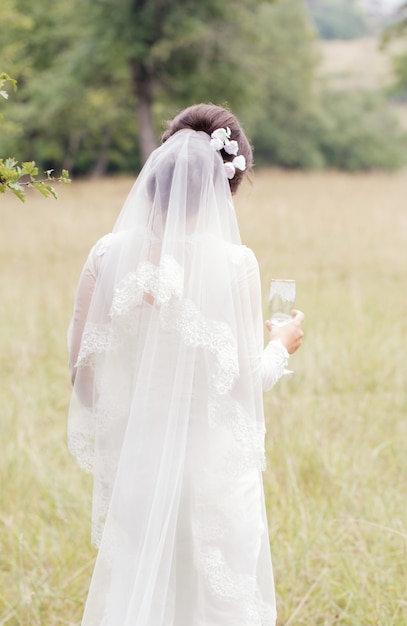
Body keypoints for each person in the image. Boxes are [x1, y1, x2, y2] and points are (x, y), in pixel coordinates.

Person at [67, 103, 304, 626]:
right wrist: (281, 346)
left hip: (140, 469)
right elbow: (246, 382)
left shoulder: (107, 257)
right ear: (228, 188)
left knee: (143, 599)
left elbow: (82, 377)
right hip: (212, 474)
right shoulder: (235, 264)